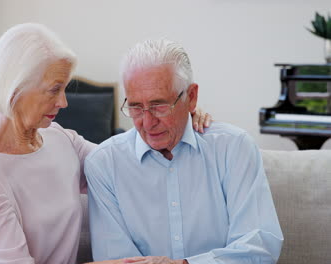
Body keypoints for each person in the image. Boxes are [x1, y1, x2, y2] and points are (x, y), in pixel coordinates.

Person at [0, 23, 211, 264]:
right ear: (15, 89)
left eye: (64, 89)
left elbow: (126, 160)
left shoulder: (58, 139)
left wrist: (179, 114)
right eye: (54, 90)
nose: (63, 102)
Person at [85, 39, 284, 264]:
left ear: (191, 97)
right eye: (135, 107)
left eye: (159, 105)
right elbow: (116, 259)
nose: (147, 123)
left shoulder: (233, 148)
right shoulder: (104, 164)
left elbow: (259, 246)